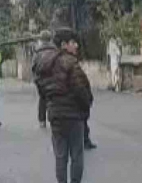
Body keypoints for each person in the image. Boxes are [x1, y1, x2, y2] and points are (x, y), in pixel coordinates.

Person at [36, 28, 93, 183]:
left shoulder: (45, 62)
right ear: (64, 45)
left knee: (60, 156)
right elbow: (82, 89)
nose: (76, 46)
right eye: (73, 43)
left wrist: (50, 103)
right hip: (74, 116)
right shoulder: (70, 62)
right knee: (76, 154)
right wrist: (86, 105)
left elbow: (41, 86)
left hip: (55, 115)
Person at [33, 30, 55, 128]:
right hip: (53, 79)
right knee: (52, 98)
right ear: (50, 39)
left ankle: (42, 121)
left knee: (42, 99)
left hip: (40, 80)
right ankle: (53, 118)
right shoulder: (55, 50)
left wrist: (35, 79)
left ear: (41, 39)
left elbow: (33, 67)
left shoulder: (37, 52)